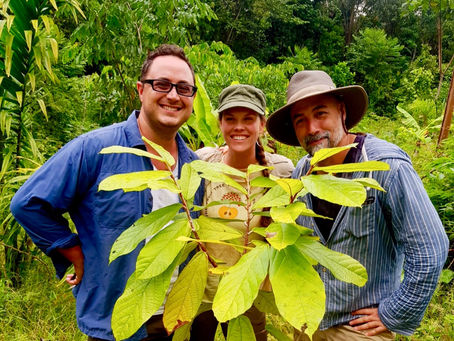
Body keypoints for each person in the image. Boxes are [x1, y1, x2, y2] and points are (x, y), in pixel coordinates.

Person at [10, 44, 204, 341]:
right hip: (114, 326)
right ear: (141, 90)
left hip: (175, 322)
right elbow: (27, 204)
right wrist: (73, 250)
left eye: (184, 88)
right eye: (162, 84)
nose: (173, 95)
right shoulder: (97, 149)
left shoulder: (195, 168)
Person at [266, 70, 449, 340]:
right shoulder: (302, 172)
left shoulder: (386, 166)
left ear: (341, 111)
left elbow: (430, 249)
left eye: (320, 114)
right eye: (300, 120)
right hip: (309, 319)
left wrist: (394, 313)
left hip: (359, 328)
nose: (312, 128)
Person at [191, 84, 294, 340]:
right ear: (220, 124)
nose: (239, 127)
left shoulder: (280, 170)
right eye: (230, 119)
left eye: (248, 119)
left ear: (262, 125)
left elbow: (288, 224)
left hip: (249, 295)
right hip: (201, 293)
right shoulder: (203, 162)